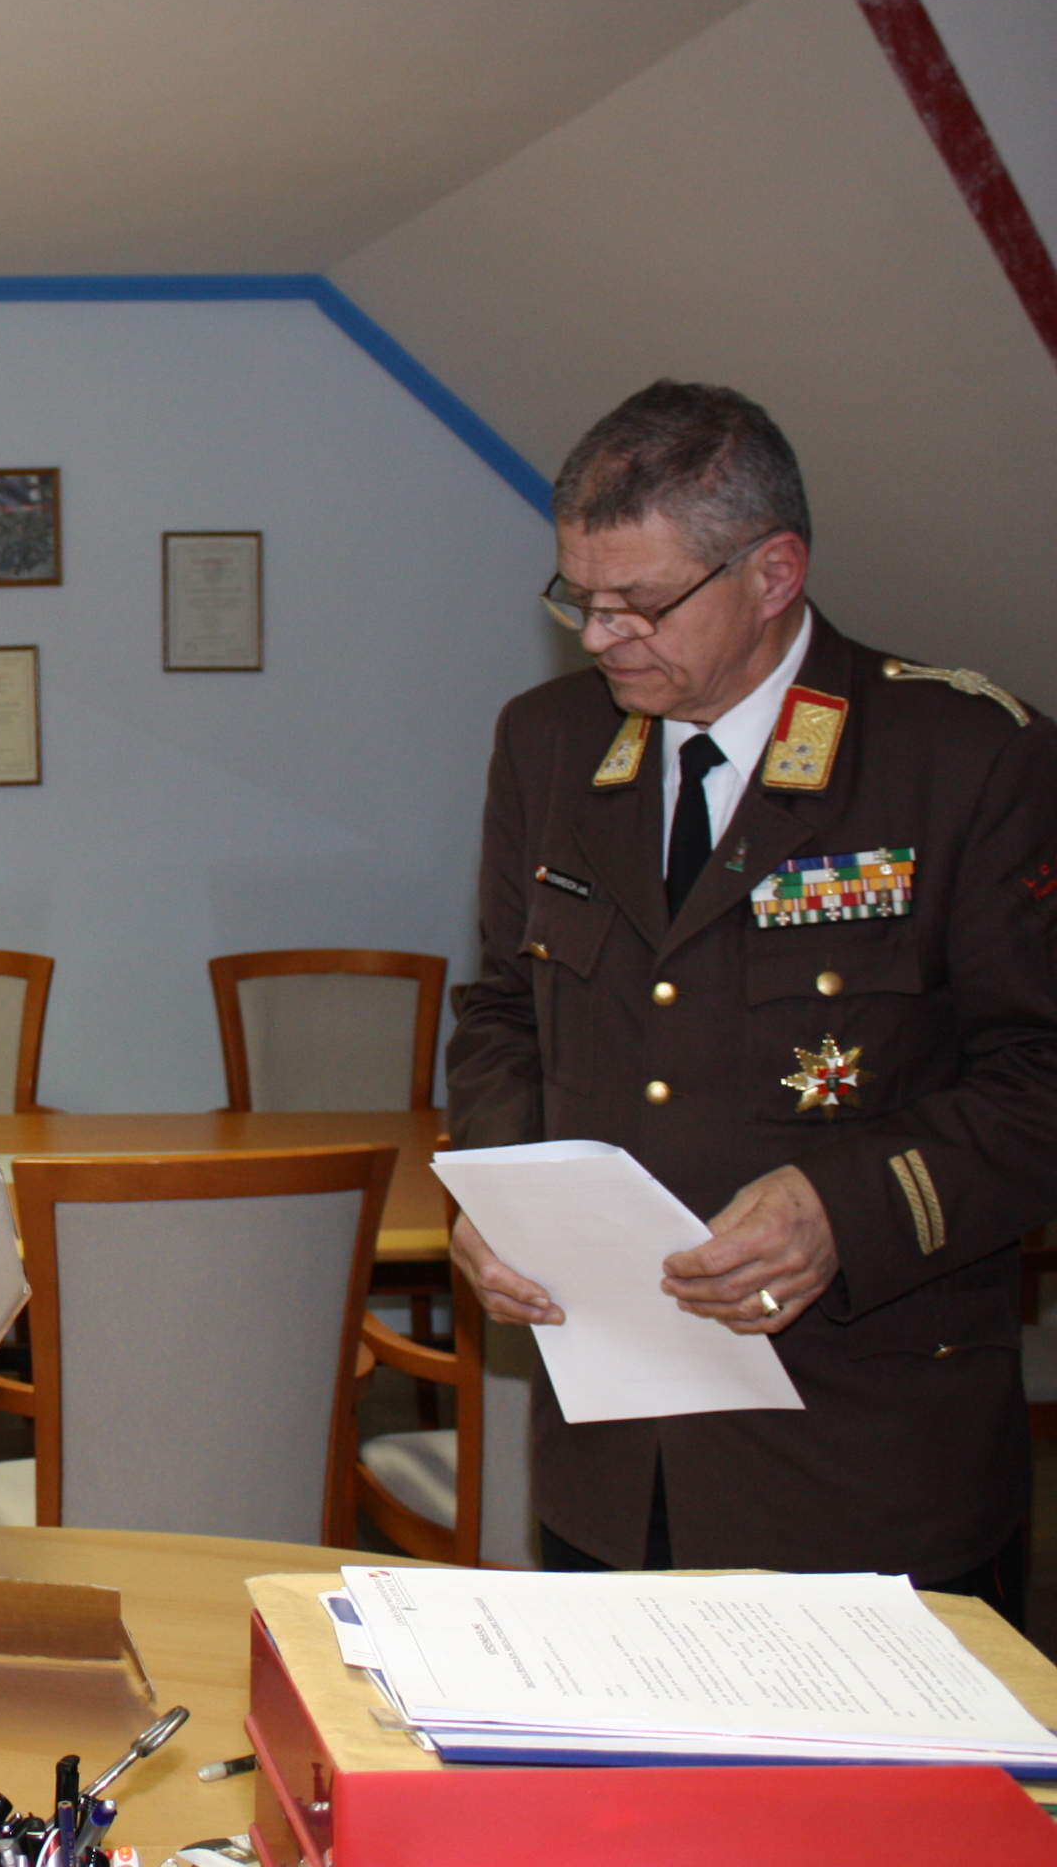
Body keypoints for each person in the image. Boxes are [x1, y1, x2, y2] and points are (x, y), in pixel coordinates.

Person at [445, 380, 1057, 1615]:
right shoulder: (548, 741)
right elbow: (504, 1008)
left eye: (640, 602)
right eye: (579, 597)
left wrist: (844, 1206)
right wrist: (499, 1193)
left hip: (863, 1452)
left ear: (773, 573)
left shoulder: (962, 756)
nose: (599, 635)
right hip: (612, 1462)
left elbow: (1038, 1076)